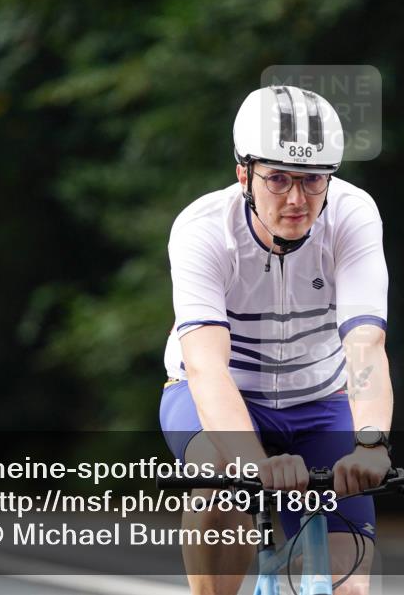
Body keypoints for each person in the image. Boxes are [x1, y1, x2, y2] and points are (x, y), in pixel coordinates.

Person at [160, 85, 392, 595]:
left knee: (347, 586)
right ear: (244, 173)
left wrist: (371, 441)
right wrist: (253, 462)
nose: (296, 198)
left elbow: (365, 346)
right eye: (278, 178)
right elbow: (206, 368)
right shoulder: (203, 230)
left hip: (320, 399)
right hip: (221, 395)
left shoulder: (352, 214)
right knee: (221, 477)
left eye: (312, 180)